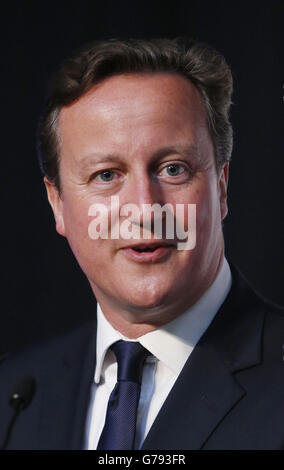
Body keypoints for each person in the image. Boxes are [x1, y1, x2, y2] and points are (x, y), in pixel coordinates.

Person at [0, 37, 283, 450]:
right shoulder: (14, 397)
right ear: (58, 204)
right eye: (106, 175)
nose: (144, 208)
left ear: (221, 188)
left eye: (172, 168)